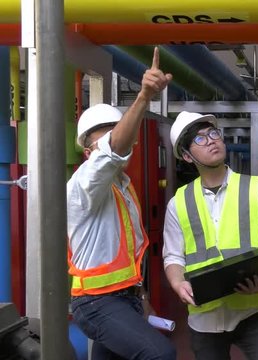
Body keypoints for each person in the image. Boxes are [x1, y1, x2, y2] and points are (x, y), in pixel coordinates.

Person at [67, 47, 176, 360]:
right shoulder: (84, 184)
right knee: (161, 354)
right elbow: (113, 151)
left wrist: (140, 297)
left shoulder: (123, 189)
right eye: (106, 137)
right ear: (89, 153)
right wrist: (143, 96)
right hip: (96, 303)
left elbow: (127, 256)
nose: (120, 140)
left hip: (124, 299)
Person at [163, 111, 258, 360]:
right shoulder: (179, 203)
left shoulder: (256, 190)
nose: (211, 140)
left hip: (251, 310)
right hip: (204, 319)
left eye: (213, 133)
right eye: (199, 139)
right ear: (186, 156)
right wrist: (177, 283)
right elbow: (173, 256)